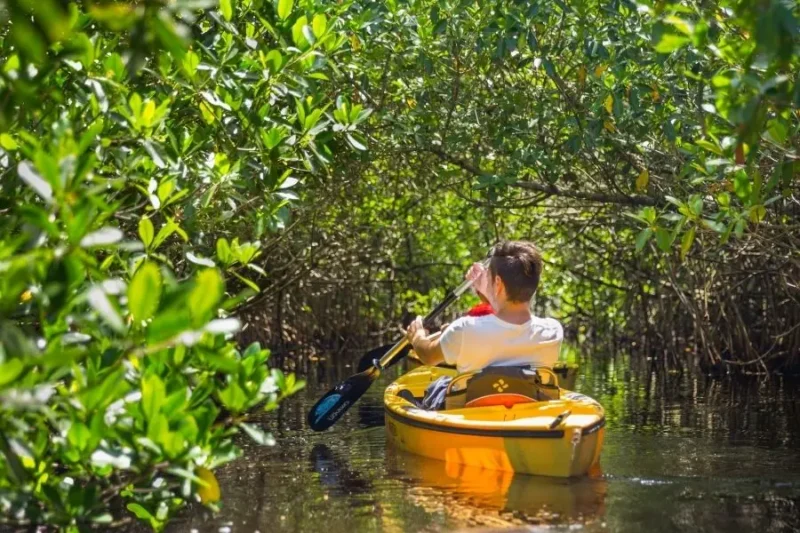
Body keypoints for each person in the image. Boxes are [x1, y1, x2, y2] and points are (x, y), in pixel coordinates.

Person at [404, 240, 563, 410]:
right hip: (526, 413)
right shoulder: (553, 331)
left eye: (490, 277)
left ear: (499, 284)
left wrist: (418, 335)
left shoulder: (465, 329)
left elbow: (428, 355)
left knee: (436, 387)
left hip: (468, 414)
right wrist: (488, 291)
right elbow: (502, 323)